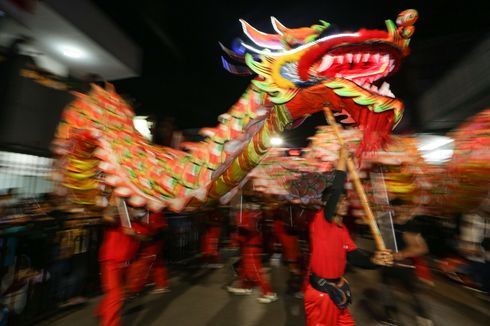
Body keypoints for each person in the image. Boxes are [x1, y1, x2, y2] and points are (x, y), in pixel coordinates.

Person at [304, 146, 393, 326]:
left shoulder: (341, 229)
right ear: (327, 204)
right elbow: (335, 193)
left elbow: (354, 257)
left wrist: (375, 261)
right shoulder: (320, 221)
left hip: (337, 292)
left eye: (346, 200)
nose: (344, 204)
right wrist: (342, 163)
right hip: (323, 296)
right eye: (340, 201)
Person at [379, 198, 433, 326]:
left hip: (404, 265)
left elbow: (422, 248)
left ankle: (423, 317)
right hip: (388, 262)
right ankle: (390, 316)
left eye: (401, 206)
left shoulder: (410, 225)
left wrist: (402, 254)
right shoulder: (389, 223)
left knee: (412, 291)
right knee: (385, 287)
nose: (398, 209)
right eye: (395, 207)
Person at [95, 198, 147, 326]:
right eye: (133, 207)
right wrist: (113, 203)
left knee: (116, 293)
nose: (135, 211)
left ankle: (102, 310)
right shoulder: (116, 218)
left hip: (126, 263)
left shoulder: (139, 223)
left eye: (138, 208)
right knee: (116, 294)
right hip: (110, 262)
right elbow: (106, 218)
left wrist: (134, 234)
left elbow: (146, 237)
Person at [227, 198, 278, 303]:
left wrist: (236, 237)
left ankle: (268, 293)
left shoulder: (251, 216)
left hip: (251, 246)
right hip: (250, 245)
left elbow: (246, 231)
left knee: (255, 270)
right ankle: (244, 286)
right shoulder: (255, 215)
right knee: (244, 268)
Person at [126, 210, 170, 296]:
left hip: (153, 243)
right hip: (157, 240)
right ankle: (161, 284)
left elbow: (152, 234)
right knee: (157, 262)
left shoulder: (154, 214)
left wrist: (135, 234)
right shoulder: (155, 211)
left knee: (144, 262)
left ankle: (134, 288)